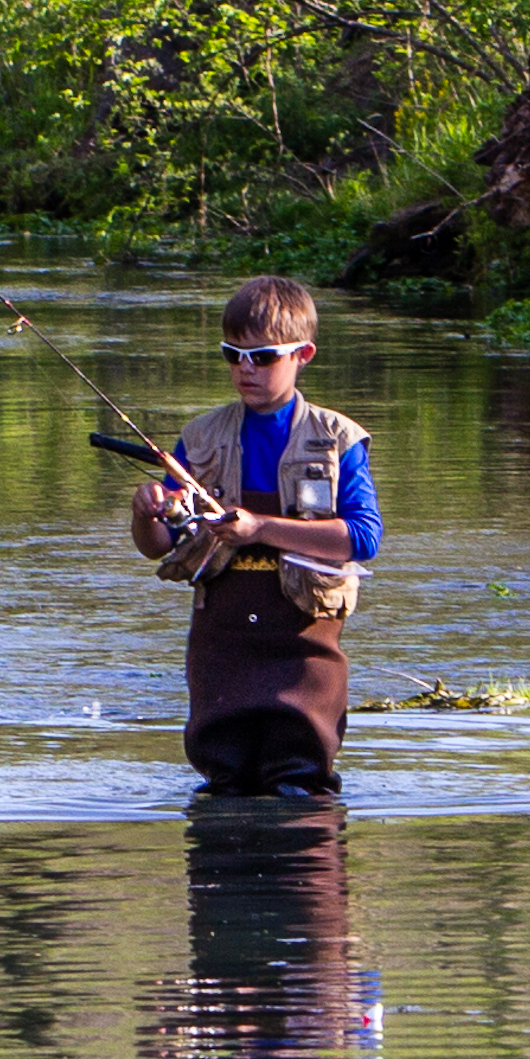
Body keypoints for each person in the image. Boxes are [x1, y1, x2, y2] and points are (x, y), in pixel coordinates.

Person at [134, 275, 380, 796]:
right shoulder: (200, 438)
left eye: (263, 357)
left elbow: (363, 537)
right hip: (220, 644)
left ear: (303, 354)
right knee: (224, 782)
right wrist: (147, 513)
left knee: (299, 781)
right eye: (233, 354)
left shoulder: (339, 440)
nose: (245, 369)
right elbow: (158, 547)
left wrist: (261, 528)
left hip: (304, 646)